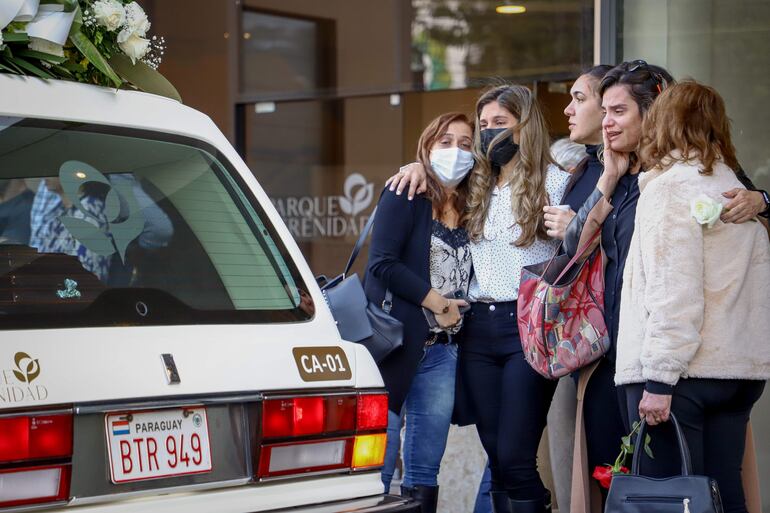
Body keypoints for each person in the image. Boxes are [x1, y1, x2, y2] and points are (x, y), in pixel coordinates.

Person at [390, 84, 570, 513]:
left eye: (500, 123)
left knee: (515, 456)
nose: (489, 132)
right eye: (484, 124)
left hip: (528, 327)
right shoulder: (476, 184)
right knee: (497, 457)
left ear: (525, 126)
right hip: (476, 332)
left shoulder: (558, 181)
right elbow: (435, 172)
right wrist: (415, 166)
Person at [616, 80, 770, 513]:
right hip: (738, 373)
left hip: (682, 374)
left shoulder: (670, 188)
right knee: (725, 492)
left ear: (662, 123)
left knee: (670, 499)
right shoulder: (736, 191)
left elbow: (673, 290)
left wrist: (659, 380)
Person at [365, 112, 473, 513]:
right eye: (445, 142)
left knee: (426, 467)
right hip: (393, 345)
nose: (455, 151)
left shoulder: (474, 204)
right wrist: (439, 303)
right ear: (427, 148)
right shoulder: (405, 192)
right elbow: (382, 264)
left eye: (465, 144)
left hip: (442, 350)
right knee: (378, 463)